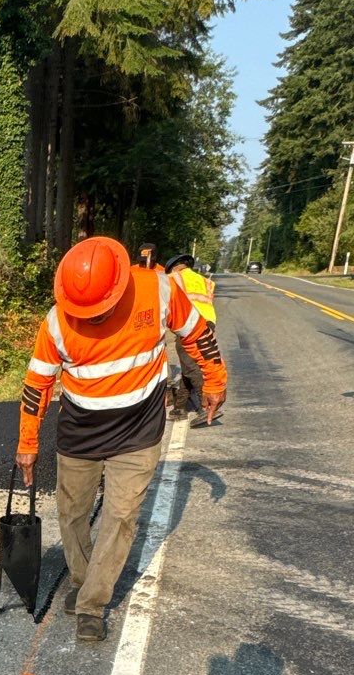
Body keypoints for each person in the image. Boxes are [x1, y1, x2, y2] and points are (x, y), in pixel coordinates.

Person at [17, 236, 225, 644]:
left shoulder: (159, 289)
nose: (89, 319)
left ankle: (92, 603)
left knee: (120, 515)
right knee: (72, 512)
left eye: (97, 312)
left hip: (138, 430)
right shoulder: (57, 321)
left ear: (118, 288)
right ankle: (82, 578)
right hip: (80, 430)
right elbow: (36, 383)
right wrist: (27, 443)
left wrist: (214, 379)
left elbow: (197, 333)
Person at [164, 250, 218, 416]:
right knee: (189, 364)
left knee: (190, 366)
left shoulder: (173, 279)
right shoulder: (205, 281)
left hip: (190, 325)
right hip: (208, 324)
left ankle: (206, 407)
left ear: (174, 268)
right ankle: (180, 406)